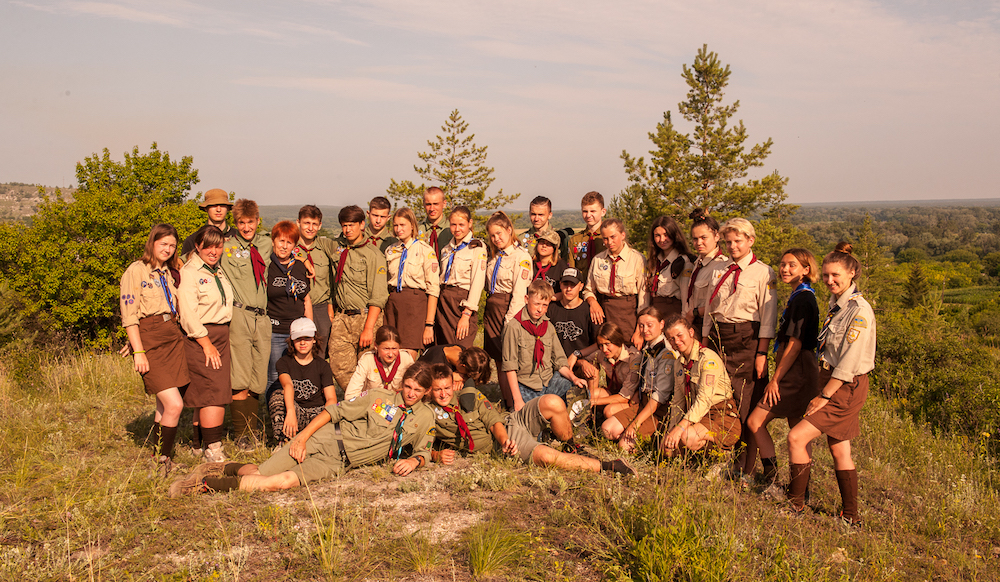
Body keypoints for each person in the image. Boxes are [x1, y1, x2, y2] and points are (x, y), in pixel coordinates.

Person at [169, 361, 436, 495]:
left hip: (339, 463)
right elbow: (334, 411)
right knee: (261, 471)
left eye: (418, 390)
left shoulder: (425, 417)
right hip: (326, 439)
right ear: (403, 383)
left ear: (426, 392)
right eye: (408, 387)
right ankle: (220, 469)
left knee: (278, 482)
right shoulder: (379, 396)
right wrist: (301, 438)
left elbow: (425, 449)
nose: (410, 393)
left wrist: (415, 462)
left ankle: (203, 485)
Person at [786, 243, 876, 526]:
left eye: (835, 274)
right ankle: (850, 516)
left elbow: (849, 362)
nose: (829, 280)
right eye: (825, 275)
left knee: (796, 437)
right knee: (840, 449)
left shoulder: (858, 311)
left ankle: (796, 505)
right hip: (831, 378)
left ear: (852, 273)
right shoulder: (837, 304)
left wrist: (823, 396)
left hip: (843, 386)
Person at [428, 363, 634, 475]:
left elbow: (493, 421)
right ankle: (609, 466)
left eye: (447, 387)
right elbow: (417, 439)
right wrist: (436, 455)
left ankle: (569, 444)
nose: (444, 394)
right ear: (429, 390)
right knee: (544, 456)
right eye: (438, 390)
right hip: (503, 444)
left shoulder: (467, 395)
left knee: (552, 402)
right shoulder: (428, 412)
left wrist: (504, 440)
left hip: (509, 425)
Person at [701, 217, 777, 481]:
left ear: (750, 241)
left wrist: (762, 353)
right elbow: (710, 308)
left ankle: (747, 466)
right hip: (719, 337)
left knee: (746, 405)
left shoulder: (763, 272)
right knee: (722, 400)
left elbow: (768, 316)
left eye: (738, 241)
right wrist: (704, 339)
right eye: (729, 241)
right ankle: (723, 457)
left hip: (747, 339)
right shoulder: (719, 269)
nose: (733, 246)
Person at [747, 249, 820, 488]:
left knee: (756, 421)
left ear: (806, 269)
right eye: (782, 264)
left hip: (796, 371)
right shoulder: (798, 296)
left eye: (792, 265)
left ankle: (775, 478)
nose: (785, 269)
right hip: (798, 369)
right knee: (795, 424)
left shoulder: (803, 299)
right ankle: (799, 486)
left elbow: (795, 344)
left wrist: (776, 378)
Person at [120, 224, 190, 472]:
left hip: (172, 336)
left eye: (172, 246)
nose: (167, 249)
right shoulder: (136, 271)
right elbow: (129, 315)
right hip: (150, 341)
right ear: (152, 243)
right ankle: (164, 459)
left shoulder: (169, 272)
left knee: (164, 405)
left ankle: (157, 456)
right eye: (163, 244)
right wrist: (138, 349)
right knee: (174, 405)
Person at [177, 225, 234, 463]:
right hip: (202, 336)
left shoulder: (216, 270)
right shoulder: (190, 272)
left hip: (219, 335)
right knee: (214, 394)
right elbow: (188, 313)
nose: (214, 250)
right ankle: (213, 447)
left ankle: (197, 445)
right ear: (197, 246)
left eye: (218, 245)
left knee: (204, 392)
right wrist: (206, 343)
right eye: (208, 246)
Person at [221, 199, 272, 448]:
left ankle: (252, 431)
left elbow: (290, 251)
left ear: (257, 221)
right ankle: (243, 434)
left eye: (250, 222)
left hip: (263, 317)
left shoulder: (267, 243)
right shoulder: (225, 246)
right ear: (236, 223)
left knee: (257, 379)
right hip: (239, 315)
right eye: (241, 223)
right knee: (240, 378)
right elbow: (195, 257)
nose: (246, 227)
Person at [327, 205, 389, 391]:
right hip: (342, 317)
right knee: (339, 367)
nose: (347, 230)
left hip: (366, 317)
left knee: (370, 371)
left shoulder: (373, 255)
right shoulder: (337, 248)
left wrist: (369, 328)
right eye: (344, 226)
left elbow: (378, 296)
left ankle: (371, 411)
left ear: (362, 224)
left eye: (352, 225)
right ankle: (355, 403)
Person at [660, 315, 741, 456]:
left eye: (680, 335)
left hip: (721, 415)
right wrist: (671, 430)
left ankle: (723, 458)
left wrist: (680, 428)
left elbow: (704, 400)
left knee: (686, 436)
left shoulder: (708, 359)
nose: (677, 342)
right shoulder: (678, 363)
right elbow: (679, 400)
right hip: (699, 417)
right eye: (671, 339)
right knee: (666, 449)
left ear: (691, 332)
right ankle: (696, 462)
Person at [502, 280, 588, 411]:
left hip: (549, 382)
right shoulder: (514, 327)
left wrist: (574, 378)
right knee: (532, 425)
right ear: (526, 299)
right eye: (536, 304)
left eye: (544, 305)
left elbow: (560, 361)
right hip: (526, 386)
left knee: (579, 391)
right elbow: (510, 367)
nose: (540, 309)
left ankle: (576, 427)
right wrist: (517, 400)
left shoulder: (548, 326)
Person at [600, 306, 676, 453]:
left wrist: (635, 424)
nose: (645, 330)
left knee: (623, 447)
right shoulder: (648, 347)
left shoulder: (666, 354)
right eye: (641, 326)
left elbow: (658, 398)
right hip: (643, 403)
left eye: (649, 325)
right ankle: (634, 435)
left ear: (661, 324)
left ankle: (648, 442)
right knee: (607, 429)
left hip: (658, 410)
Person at [483, 211, 532, 407]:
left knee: (512, 360)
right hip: (492, 310)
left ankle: (519, 403)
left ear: (509, 230)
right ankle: (507, 401)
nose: (496, 239)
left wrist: (510, 320)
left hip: (509, 309)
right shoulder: (495, 256)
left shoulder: (521, 257)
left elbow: (520, 293)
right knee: (499, 361)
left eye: (500, 234)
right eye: (492, 236)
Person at [266, 317, 337, 445]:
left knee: (333, 408)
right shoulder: (283, 363)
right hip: (295, 411)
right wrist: (291, 412)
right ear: (292, 340)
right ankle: (283, 441)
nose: (303, 342)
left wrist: (323, 419)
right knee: (276, 396)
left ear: (314, 339)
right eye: (298, 338)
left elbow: (331, 398)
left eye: (307, 338)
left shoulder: (322, 365)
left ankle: (314, 437)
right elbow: (287, 385)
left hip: (317, 412)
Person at [384, 207, 440, 358]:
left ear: (412, 226)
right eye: (396, 225)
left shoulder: (425, 251)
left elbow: (433, 289)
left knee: (407, 355)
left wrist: (429, 324)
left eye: (402, 225)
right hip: (393, 302)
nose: (398, 229)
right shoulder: (390, 250)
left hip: (414, 304)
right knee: (390, 351)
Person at [266, 221, 313, 389]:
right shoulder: (267, 267)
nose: (284, 246)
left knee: (299, 374)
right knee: (274, 375)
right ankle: (276, 412)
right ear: (273, 241)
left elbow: (306, 299)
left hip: (298, 332)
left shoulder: (300, 266)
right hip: (276, 331)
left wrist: (310, 329)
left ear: (294, 245)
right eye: (281, 241)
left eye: (289, 242)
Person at [582, 218, 645, 343]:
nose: (609, 242)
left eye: (613, 237)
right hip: (603, 312)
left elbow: (644, 298)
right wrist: (593, 302)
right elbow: (588, 289)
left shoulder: (637, 259)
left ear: (622, 235)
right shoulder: (598, 260)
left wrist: (639, 331)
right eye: (605, 238)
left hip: (628, 313)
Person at [435, 206, 487, 349]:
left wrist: (467, 313)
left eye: (461, 225)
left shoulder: (476, 248)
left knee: (461, 351)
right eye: (453, 224)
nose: (457, 229)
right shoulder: (446, 249)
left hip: (461, 303)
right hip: (444, 302)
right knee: (443, 350)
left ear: (470, 223)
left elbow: (477, 282)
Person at [294, 205, 340, 358]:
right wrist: (302, 259)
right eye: (306, 223)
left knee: (320, 353)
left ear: (320, 225)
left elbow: (330, 280)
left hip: (321, 308)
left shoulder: (325, 247)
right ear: (298, 223)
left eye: (314, 224)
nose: (310, 228)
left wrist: (330, 307)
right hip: (296, 307)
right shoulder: (290, 246)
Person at [577, 322, 639, 422]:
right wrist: (584, 363)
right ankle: (590, 420)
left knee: (609, 411)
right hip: (615, 393)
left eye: (607, 344)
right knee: (594, 392)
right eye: (601, 345)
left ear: (617, 341)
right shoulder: (603, 354)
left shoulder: (633, 358)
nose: (604, 349)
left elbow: (625, 397)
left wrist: (593, 402)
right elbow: (582, 360)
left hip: (631, 400)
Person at [639, 216, 694, 322]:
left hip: (673, 313)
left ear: (674, 235)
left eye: (666, 235)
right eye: (657, 236)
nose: (662, 240)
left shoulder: (683, 261)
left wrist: (684, 321)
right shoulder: (653, 262)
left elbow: (685, 296)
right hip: (654, 313)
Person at [685, 208, 727, 339]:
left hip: (710, 326)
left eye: (704, 238)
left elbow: (721, 303)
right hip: (694, 324)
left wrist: (695, 312)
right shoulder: (698, 263)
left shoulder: (721, 266)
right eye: (695, 239)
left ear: (716, 236)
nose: (699, 243)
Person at [549, 268, 599, 376]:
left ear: (581, 286)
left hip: (582, 364)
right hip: (554, 365)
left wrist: (578, 356)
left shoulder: (589, 311)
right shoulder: (551, 308)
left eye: (573, 285)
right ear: (560, 285)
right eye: (565, 284)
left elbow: (599, 343)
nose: (568, 289)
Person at [344, 325, 415, 400]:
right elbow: (350, 394)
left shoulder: (406, 358)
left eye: (394, 349)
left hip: (398, 403)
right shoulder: (367, 360)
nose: (390, 354)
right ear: (376, 346)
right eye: (386, 349)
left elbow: (416, 387)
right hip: (372, 404)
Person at [567, 191, 607, 281]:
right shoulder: (575, 240)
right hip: (582, 287)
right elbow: (572, 270)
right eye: (585, 211)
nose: (588, 215)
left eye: (593, 211)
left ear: (603, 212)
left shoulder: (609, 238)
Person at [181, 189, 233, 257]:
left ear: (228, 208)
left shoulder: (237, 237)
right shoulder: (193, 240)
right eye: (214, 205)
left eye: (222, 205)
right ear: (206, 208)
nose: (218, 210)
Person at [418, 186, 453, 259]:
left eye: (436, 204)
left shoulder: (453, 230)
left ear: (444, 204)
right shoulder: (416, 232)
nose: (432, 209)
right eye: (428, 204)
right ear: (423, 204)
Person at [533, 227, 568, 298]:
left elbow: (567, 290)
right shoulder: (531, 264)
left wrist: (551, 298)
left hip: (553, 304)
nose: (544, 246)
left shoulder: (561, 265)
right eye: (541, 242)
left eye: (548, 244)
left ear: (554, 248)